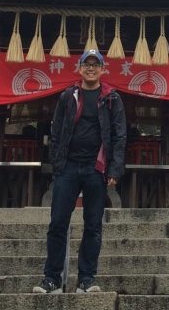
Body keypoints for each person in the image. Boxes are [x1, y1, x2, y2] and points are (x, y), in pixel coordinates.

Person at [33, 49, 126, 294]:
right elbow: (56, 132)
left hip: (97, 169)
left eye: (96, 64)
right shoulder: (67, 96)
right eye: (87, 64)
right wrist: (57, 163)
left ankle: (86, 279)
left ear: (103, 69)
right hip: (68, 167)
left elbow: (119, 136)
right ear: (79, 68)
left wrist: (114, 168)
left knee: (93, 225)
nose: (91, 68)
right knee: (57, 223)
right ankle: (52, 278)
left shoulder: (112, 99)